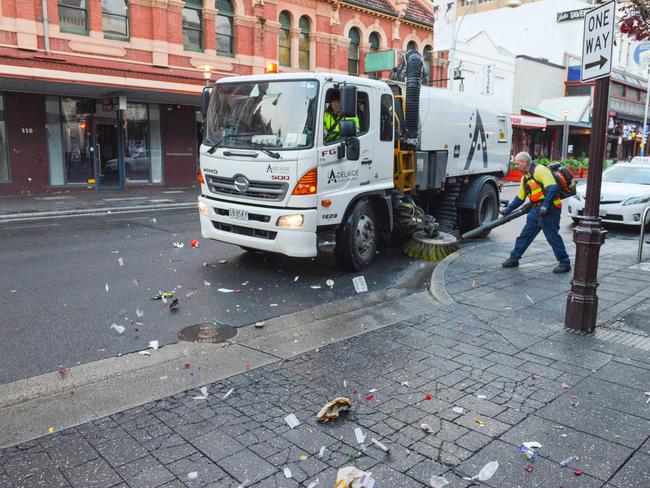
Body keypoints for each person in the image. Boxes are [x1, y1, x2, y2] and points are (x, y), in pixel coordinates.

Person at [501, 151, 571, 273]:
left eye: (517, 164)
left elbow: (552, 187)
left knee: (552, 236)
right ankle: (514, 258)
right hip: (536, 209)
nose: (516, 166)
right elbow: (520, 198)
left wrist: (545, 206)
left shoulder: (540, 170)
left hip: (550, 208)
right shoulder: (525, 177)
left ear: (525, 162)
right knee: (525, 235)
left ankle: (565, 263)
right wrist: (508, 209)